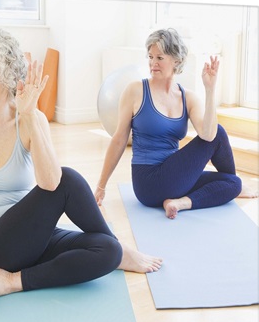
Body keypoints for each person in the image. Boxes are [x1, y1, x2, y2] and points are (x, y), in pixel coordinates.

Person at [0, 27, 162, 306]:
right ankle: (124, 251)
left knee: (107, 250)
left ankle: (14, 281)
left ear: (5, 76)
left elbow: (49, 181)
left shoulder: (32, 119)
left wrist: (28, 115)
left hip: (33, 237)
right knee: (71, 179)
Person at [95, 28, 257, 219]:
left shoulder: (187, 97)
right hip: (148, 181)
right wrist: (100, 186)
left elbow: (207, 135)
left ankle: (180, 203)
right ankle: (227, 186)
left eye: (160, 58)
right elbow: (119, 140)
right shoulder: (135, 90)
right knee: (220, 136)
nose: (153, 63)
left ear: (176, 60)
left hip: (175, 178)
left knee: (233, 182)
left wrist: (210, 89)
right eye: (150, 57)